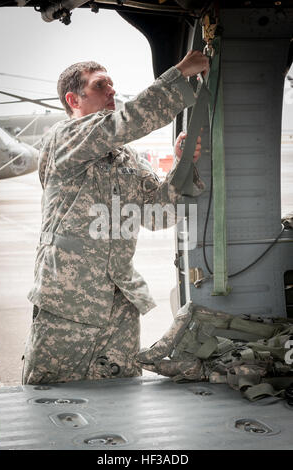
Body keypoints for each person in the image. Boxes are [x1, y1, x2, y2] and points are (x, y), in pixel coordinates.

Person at [22, 50, 209, 385]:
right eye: (100, 85)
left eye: (112, 84)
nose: (112, 91)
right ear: (73, 99)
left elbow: (157, 215)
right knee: (50, 402)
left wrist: (182, 163)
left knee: (120, 400)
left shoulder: (128, 159)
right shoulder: (63, 139)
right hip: (68, 304)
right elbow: (126, 121)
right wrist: (180, 74)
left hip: (118, 306)